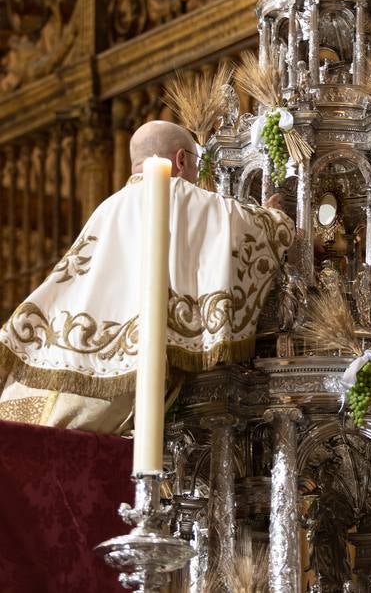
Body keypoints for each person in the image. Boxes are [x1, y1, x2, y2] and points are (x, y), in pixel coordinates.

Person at [0, 120, 294, 433]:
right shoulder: (178, 193)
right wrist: (276, 218)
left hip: (59, 354)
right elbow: (244, 228)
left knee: (28, 437)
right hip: (122, 370)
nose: (196, 177)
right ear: (181, 160)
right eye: (195, 165)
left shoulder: (107, 207)